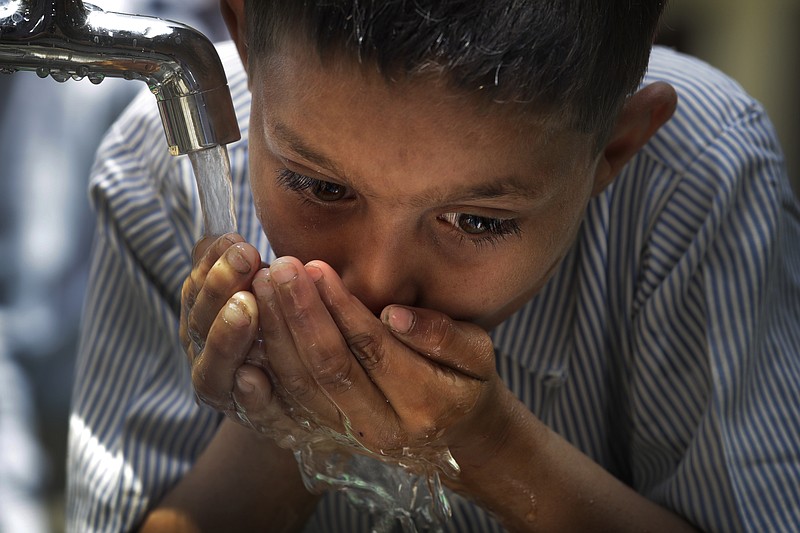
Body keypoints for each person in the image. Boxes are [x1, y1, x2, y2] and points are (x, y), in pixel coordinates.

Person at [66, 0, 800, 531]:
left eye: (478, 220)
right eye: (320, 186)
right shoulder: (168, 171)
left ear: (613, 150)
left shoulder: (696, 182)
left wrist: (486, 442)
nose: (377, 282)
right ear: (246, 35)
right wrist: (283, 425)